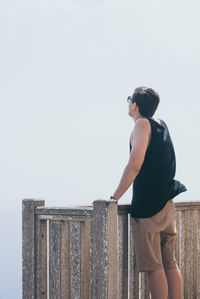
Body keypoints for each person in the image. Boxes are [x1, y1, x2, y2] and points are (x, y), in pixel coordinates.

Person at [110, 87, 187, 299]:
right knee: (169, 262)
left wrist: (114, 197)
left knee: (154, 266)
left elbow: (134, 165)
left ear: (135, 105)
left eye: (129, 100)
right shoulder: (161, 124)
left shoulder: (141, 124)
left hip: (148, 206)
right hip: (165, 201)